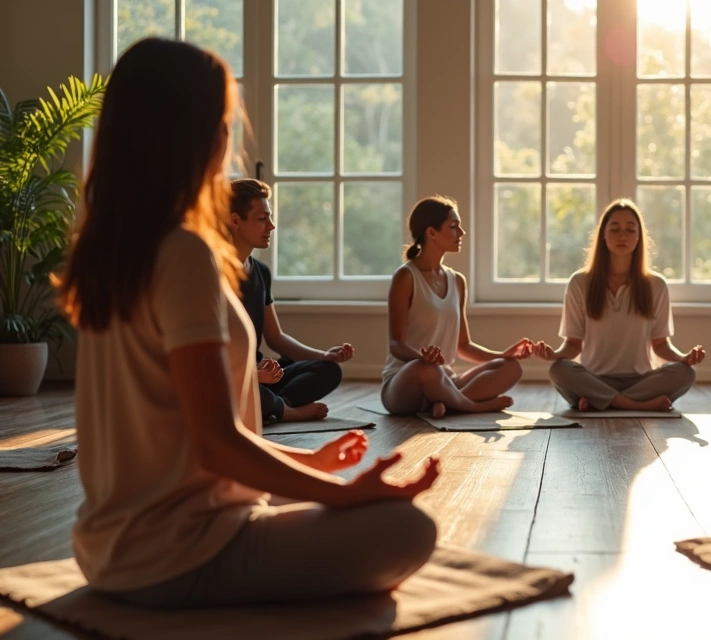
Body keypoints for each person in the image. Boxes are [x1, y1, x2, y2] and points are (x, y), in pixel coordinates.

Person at [59, 38, 439, 608]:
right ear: (194, 136)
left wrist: (309, 463)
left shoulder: (108, 254)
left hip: (111, 551)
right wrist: (343, 497)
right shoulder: (183, 255)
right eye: (222, 122)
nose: (227, 139)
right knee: (409, 530)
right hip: (180, 554)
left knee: (355, 504)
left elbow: (194, 440)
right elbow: (216, 444)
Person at [533, 199, 704, 412]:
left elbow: (660, 345)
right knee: (559, 370)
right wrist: (554, 355)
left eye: (630, 230)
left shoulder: (655, 285)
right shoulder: (580, 283)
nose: (622, 236)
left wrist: (684, 358)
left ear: (639, 237)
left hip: (640, 381)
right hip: (594, 378)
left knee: (685, 373)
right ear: (603, 235)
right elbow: (573, 344)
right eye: (615, 229)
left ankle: (600, 401)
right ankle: (632, 404)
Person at [381, 196, 531, 417]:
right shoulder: (405, 277)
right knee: (427, 370)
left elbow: (464, 346)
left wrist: (503, 354)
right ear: (431, 232)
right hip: (407, 380)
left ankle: (448, 404)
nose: (461, 233)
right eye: (453, 227)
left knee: (511, 367)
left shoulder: (457, 281)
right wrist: (422, 359)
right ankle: (470, 406)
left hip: (445, 380)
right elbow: (396, 344)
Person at [228, 178, 352, 424]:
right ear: (235, 221)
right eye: (262, 219)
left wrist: (323, 355)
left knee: (327, 371)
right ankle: (287, 411)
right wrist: (252, 375)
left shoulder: (261, 271)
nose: (272, 226)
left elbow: (276, 338)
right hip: (234, 376)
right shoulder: (213, 273)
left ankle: (277, 406)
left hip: (262, 377)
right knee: (242, 389)